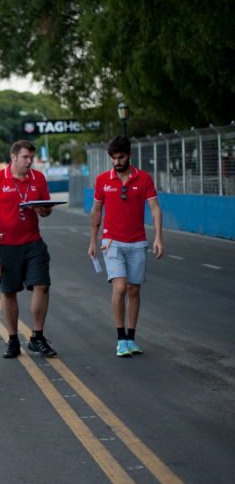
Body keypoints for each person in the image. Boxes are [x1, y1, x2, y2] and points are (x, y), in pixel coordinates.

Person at [88, 135, 164, 357]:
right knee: (119, 288)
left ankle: (131, 338)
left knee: (134, 290)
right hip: (111, 241)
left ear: (130, 155)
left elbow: (155, 209)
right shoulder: (102, 180)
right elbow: (96, 211)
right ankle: (121, 338)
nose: (117, 162)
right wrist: (93, 241)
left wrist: (158, 237)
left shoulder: (144, 179)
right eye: (113, 158)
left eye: (121, 157)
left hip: (138, 242)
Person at [0, 140, 57, 359]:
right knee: (8, 291)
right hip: (6, 245)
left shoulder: (38, 178)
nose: (29, 162)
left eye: (31, 158)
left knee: (42, 285)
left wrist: (44, 211)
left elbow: (46, 210)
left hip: (33, 242)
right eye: (25, 157)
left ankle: (37, 336)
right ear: (13, 157)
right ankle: (13, 339)